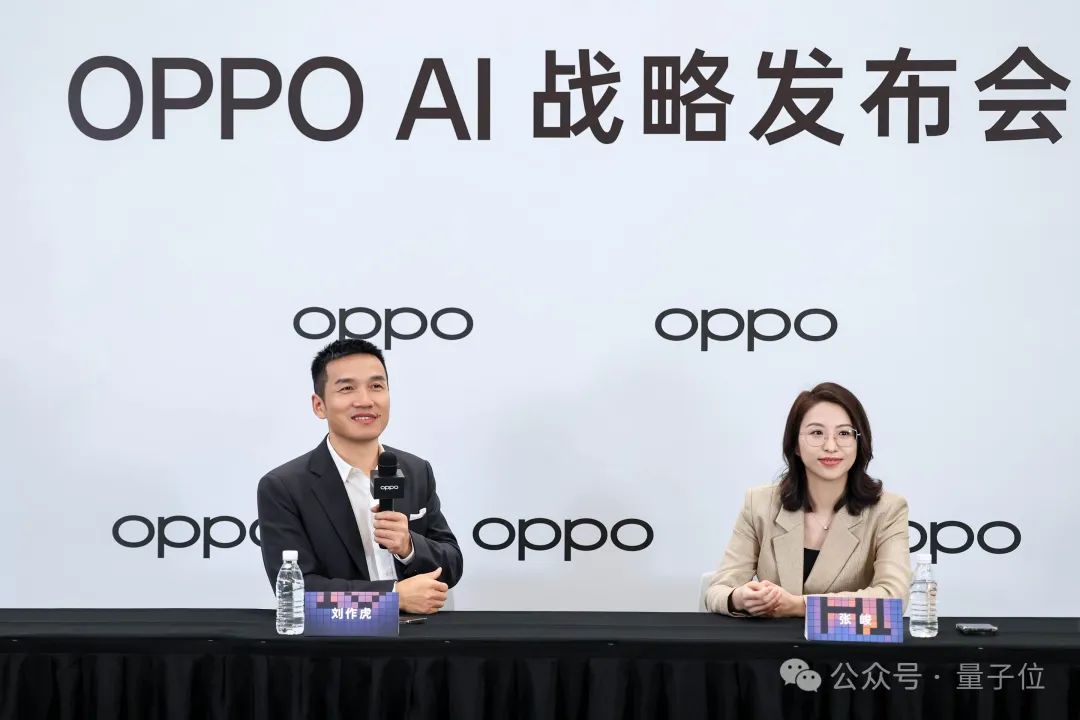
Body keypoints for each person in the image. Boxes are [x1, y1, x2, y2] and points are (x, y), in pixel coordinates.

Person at [257, 339, 462, 614]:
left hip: (422, 634)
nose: (365, 401)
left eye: (376, 386)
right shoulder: (284, 486)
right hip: (342, 638)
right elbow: (295, 591)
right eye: (347, 388)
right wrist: (392, 597)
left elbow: (452, 565)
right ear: (319, 405)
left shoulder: (416, 470)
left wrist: (409, 546)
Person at [705, 382, 911, 617]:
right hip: (770, 640)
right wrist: (739, 598)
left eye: (844, 433)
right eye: (816, 433)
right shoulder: (759, 503)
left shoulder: (888, 510)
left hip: (846, 641)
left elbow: (894, 598)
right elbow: (717, 591)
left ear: (859, 442)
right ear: (795, 444)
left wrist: (799, 606)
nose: (831, 446)